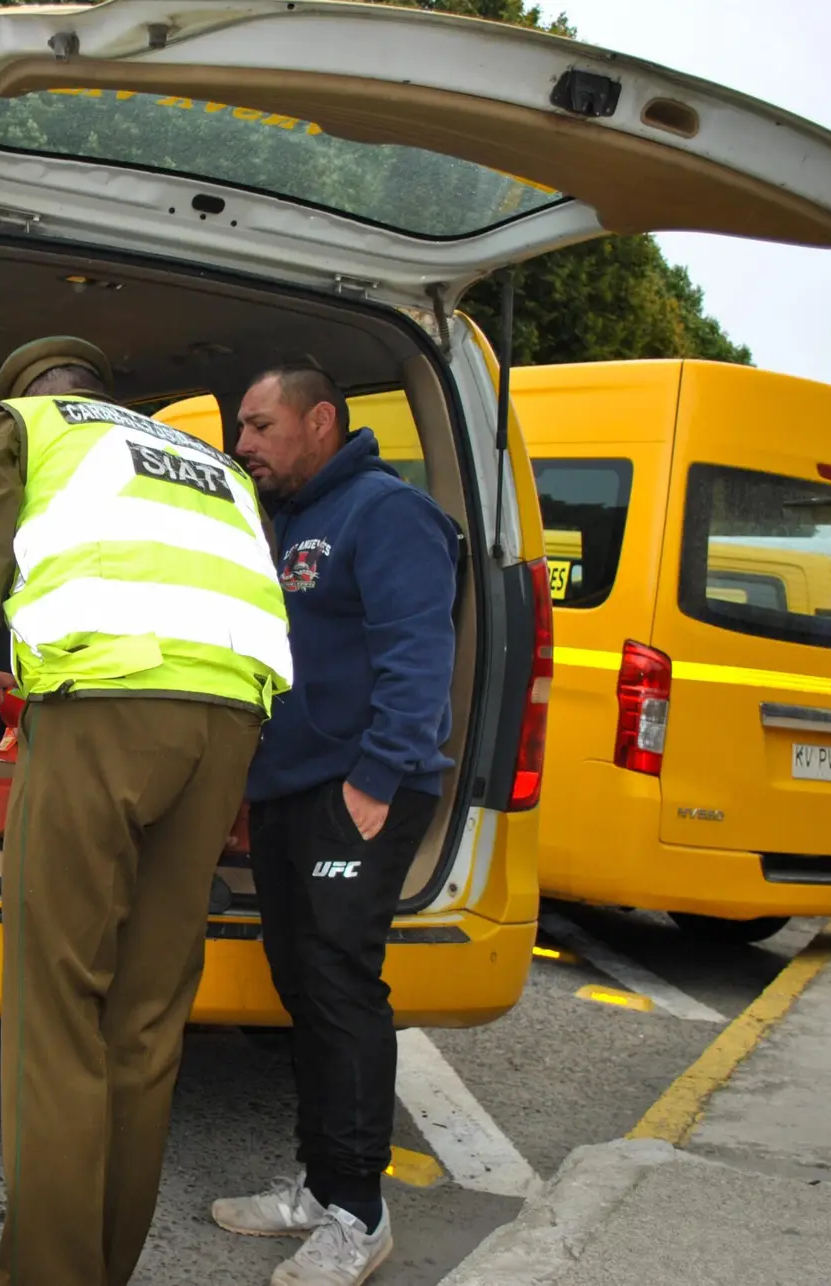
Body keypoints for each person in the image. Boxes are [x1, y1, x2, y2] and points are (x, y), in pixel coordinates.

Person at [0, 337, 292, 1286]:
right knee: (145, 1024)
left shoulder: (21, 429)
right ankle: (102, 1269)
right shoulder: (208, 463)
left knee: (58, 1011)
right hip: (228, 727)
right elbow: (168, 594)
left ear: (23, 393)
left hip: (103, 722)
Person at [210, 366, 458, 1286]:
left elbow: (419, 651)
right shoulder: (290, 519)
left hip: (358, 789)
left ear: (320, 421)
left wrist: (379, 775)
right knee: (303, 984)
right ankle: (321, 1188)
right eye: (242, 428)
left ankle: (359, 1211)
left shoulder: (386, 513)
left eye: (260, 425)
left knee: (340, 984)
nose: (244, 444)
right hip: (292, 788)